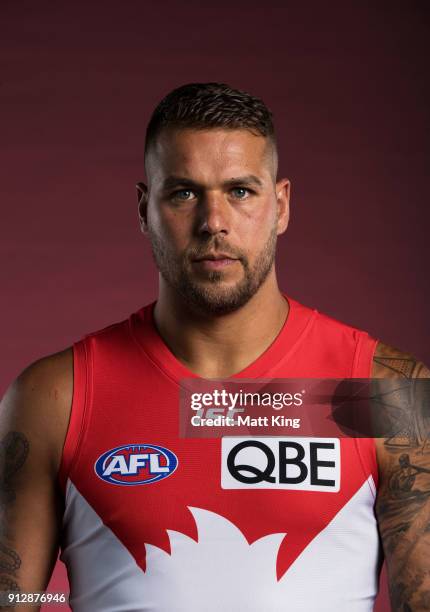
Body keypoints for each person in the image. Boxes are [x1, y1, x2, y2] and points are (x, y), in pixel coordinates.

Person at [0, 82, 429, 612]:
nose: (214, 223)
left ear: (281, 205)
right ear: (143, 208)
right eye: (183, 193)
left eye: (241, 191)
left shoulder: (383, 392)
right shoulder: (56, 397)